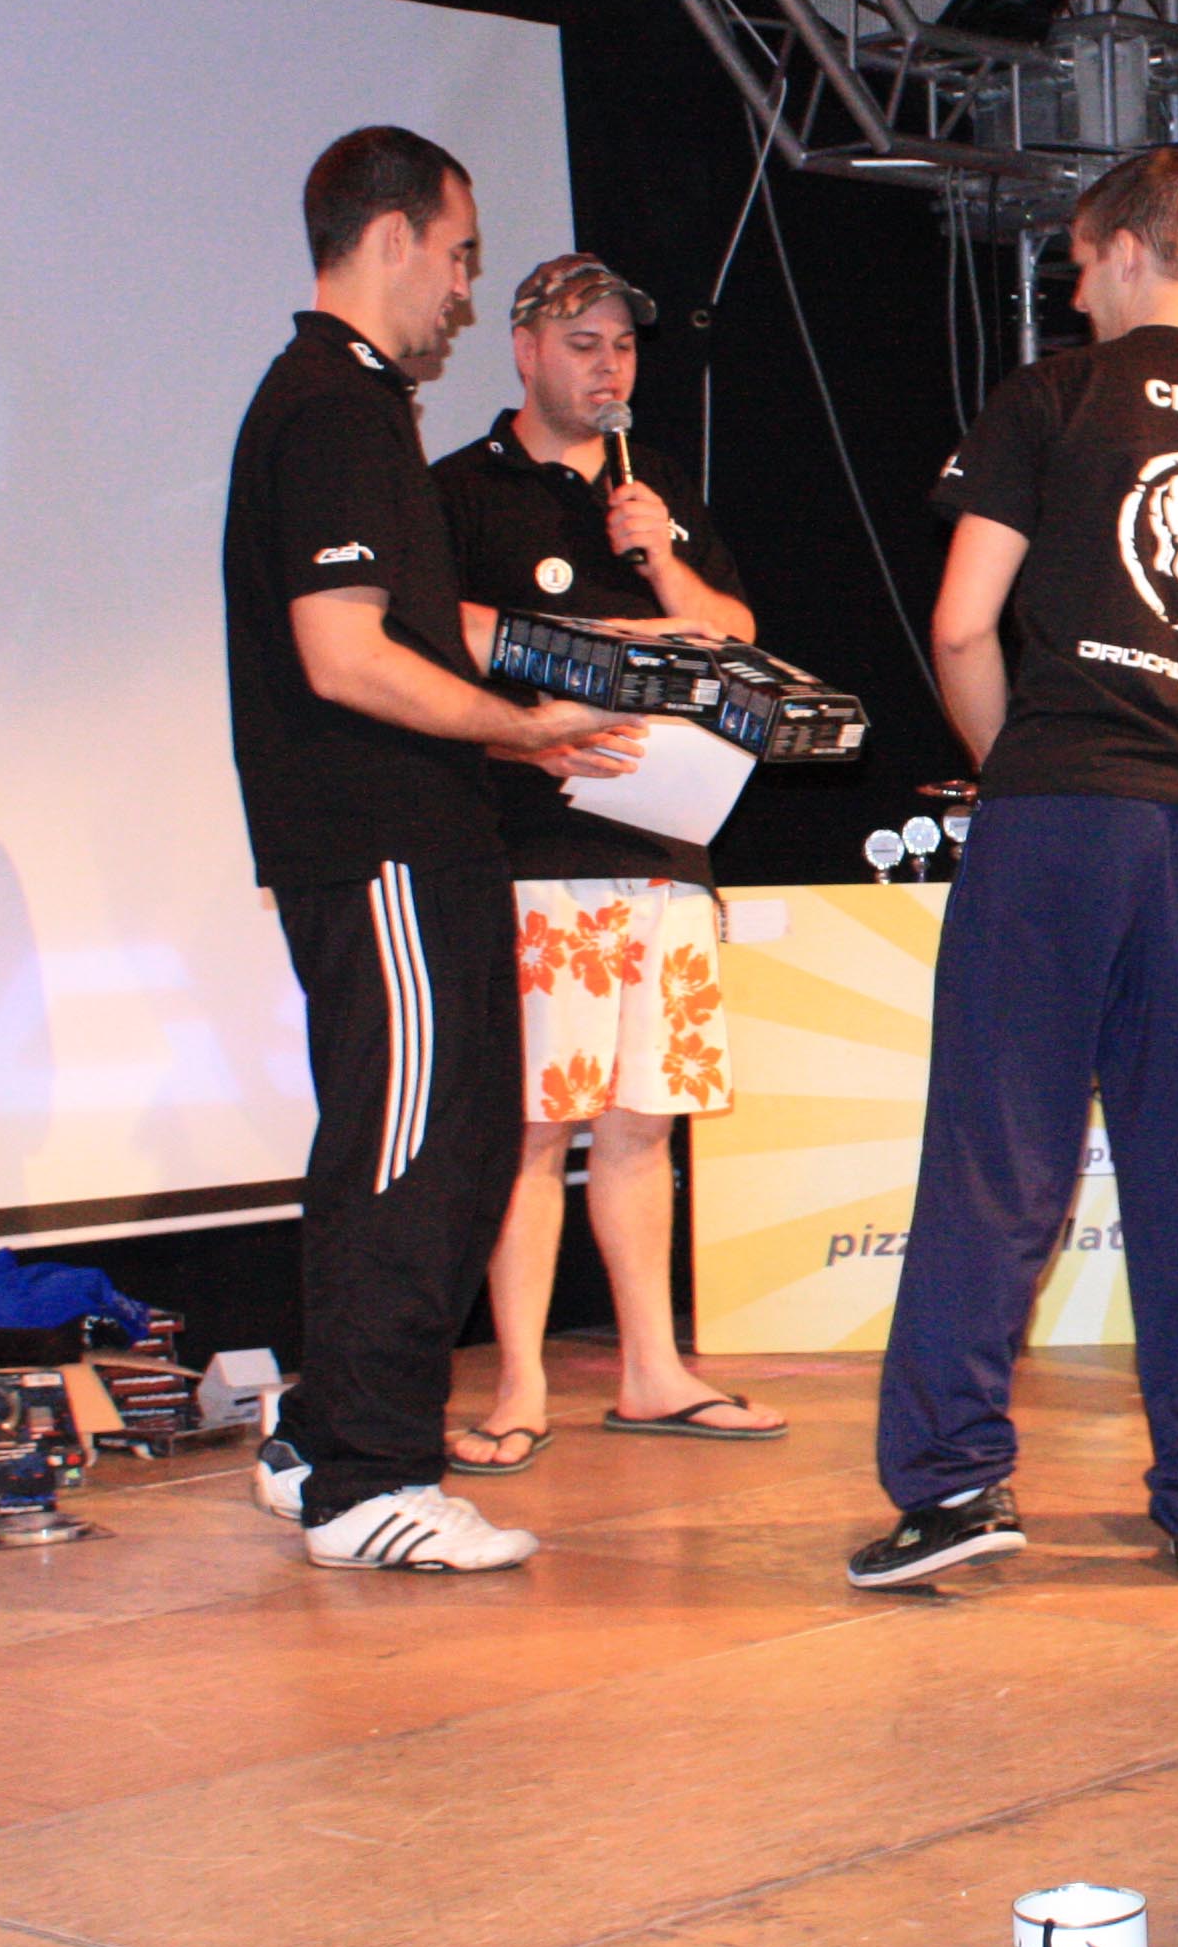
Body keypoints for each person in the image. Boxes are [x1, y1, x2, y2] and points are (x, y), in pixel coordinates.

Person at [850, 149, 1178, 1591]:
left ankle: (954, 1482)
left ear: (1131, 249)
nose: (1075, 292)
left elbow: (963, 624)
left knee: (999, 1154)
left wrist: (1022, 766)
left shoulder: (1055, 397)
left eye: (1080, 263)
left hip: (1060, 813)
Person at [224, 127, 635, 1573]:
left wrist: (543, 712)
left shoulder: (358, 406)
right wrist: (518, 730)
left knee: (441, 1139)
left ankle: (318, 1436)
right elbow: (343, 654)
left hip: (416, 834)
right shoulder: (332, 406)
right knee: (412, 1146)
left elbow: (407, 628)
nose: (465, 290)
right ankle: (369, 1480)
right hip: (378, 837)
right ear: (391, 236)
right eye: (459, 256)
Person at [430, 256, 783, 1467]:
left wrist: (660, 559)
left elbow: (737, 637)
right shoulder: (461, 492)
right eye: (582, 343)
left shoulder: (651, 489)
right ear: (524, 347)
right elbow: (426, 655)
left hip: (665, 847)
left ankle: (652, 1370)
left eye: (622, 345)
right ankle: (518, 1385)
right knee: (538, 1125)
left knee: (644, 1121)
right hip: (538, 853)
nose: (608, 365)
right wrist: (531, 729)